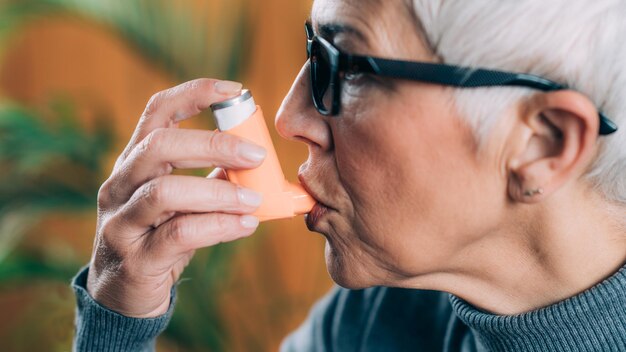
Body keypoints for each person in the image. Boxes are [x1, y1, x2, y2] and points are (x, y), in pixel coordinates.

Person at [72, 0, 626, 351]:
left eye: (347, 68)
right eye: (313, 50)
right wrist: (117, 322)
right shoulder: (377, 319)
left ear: (543, 144)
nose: (289, 119)